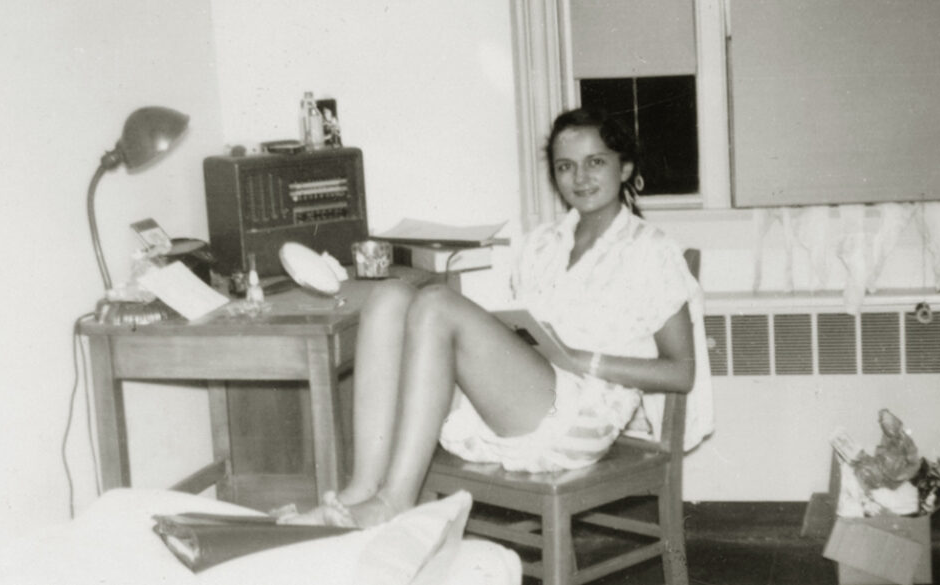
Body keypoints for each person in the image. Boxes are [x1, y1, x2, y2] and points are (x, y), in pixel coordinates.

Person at [280, 107, 699, 529]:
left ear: (624, 167)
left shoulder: (651, 250)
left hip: (579, 417)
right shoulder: (542, 245)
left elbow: (681, 373)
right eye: (565, 167)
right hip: (524, 403)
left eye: (596, 162)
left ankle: (395, 502)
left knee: (437, 304)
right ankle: (359, 492)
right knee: (388, 296)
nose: (581, 178)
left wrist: (582, 359)